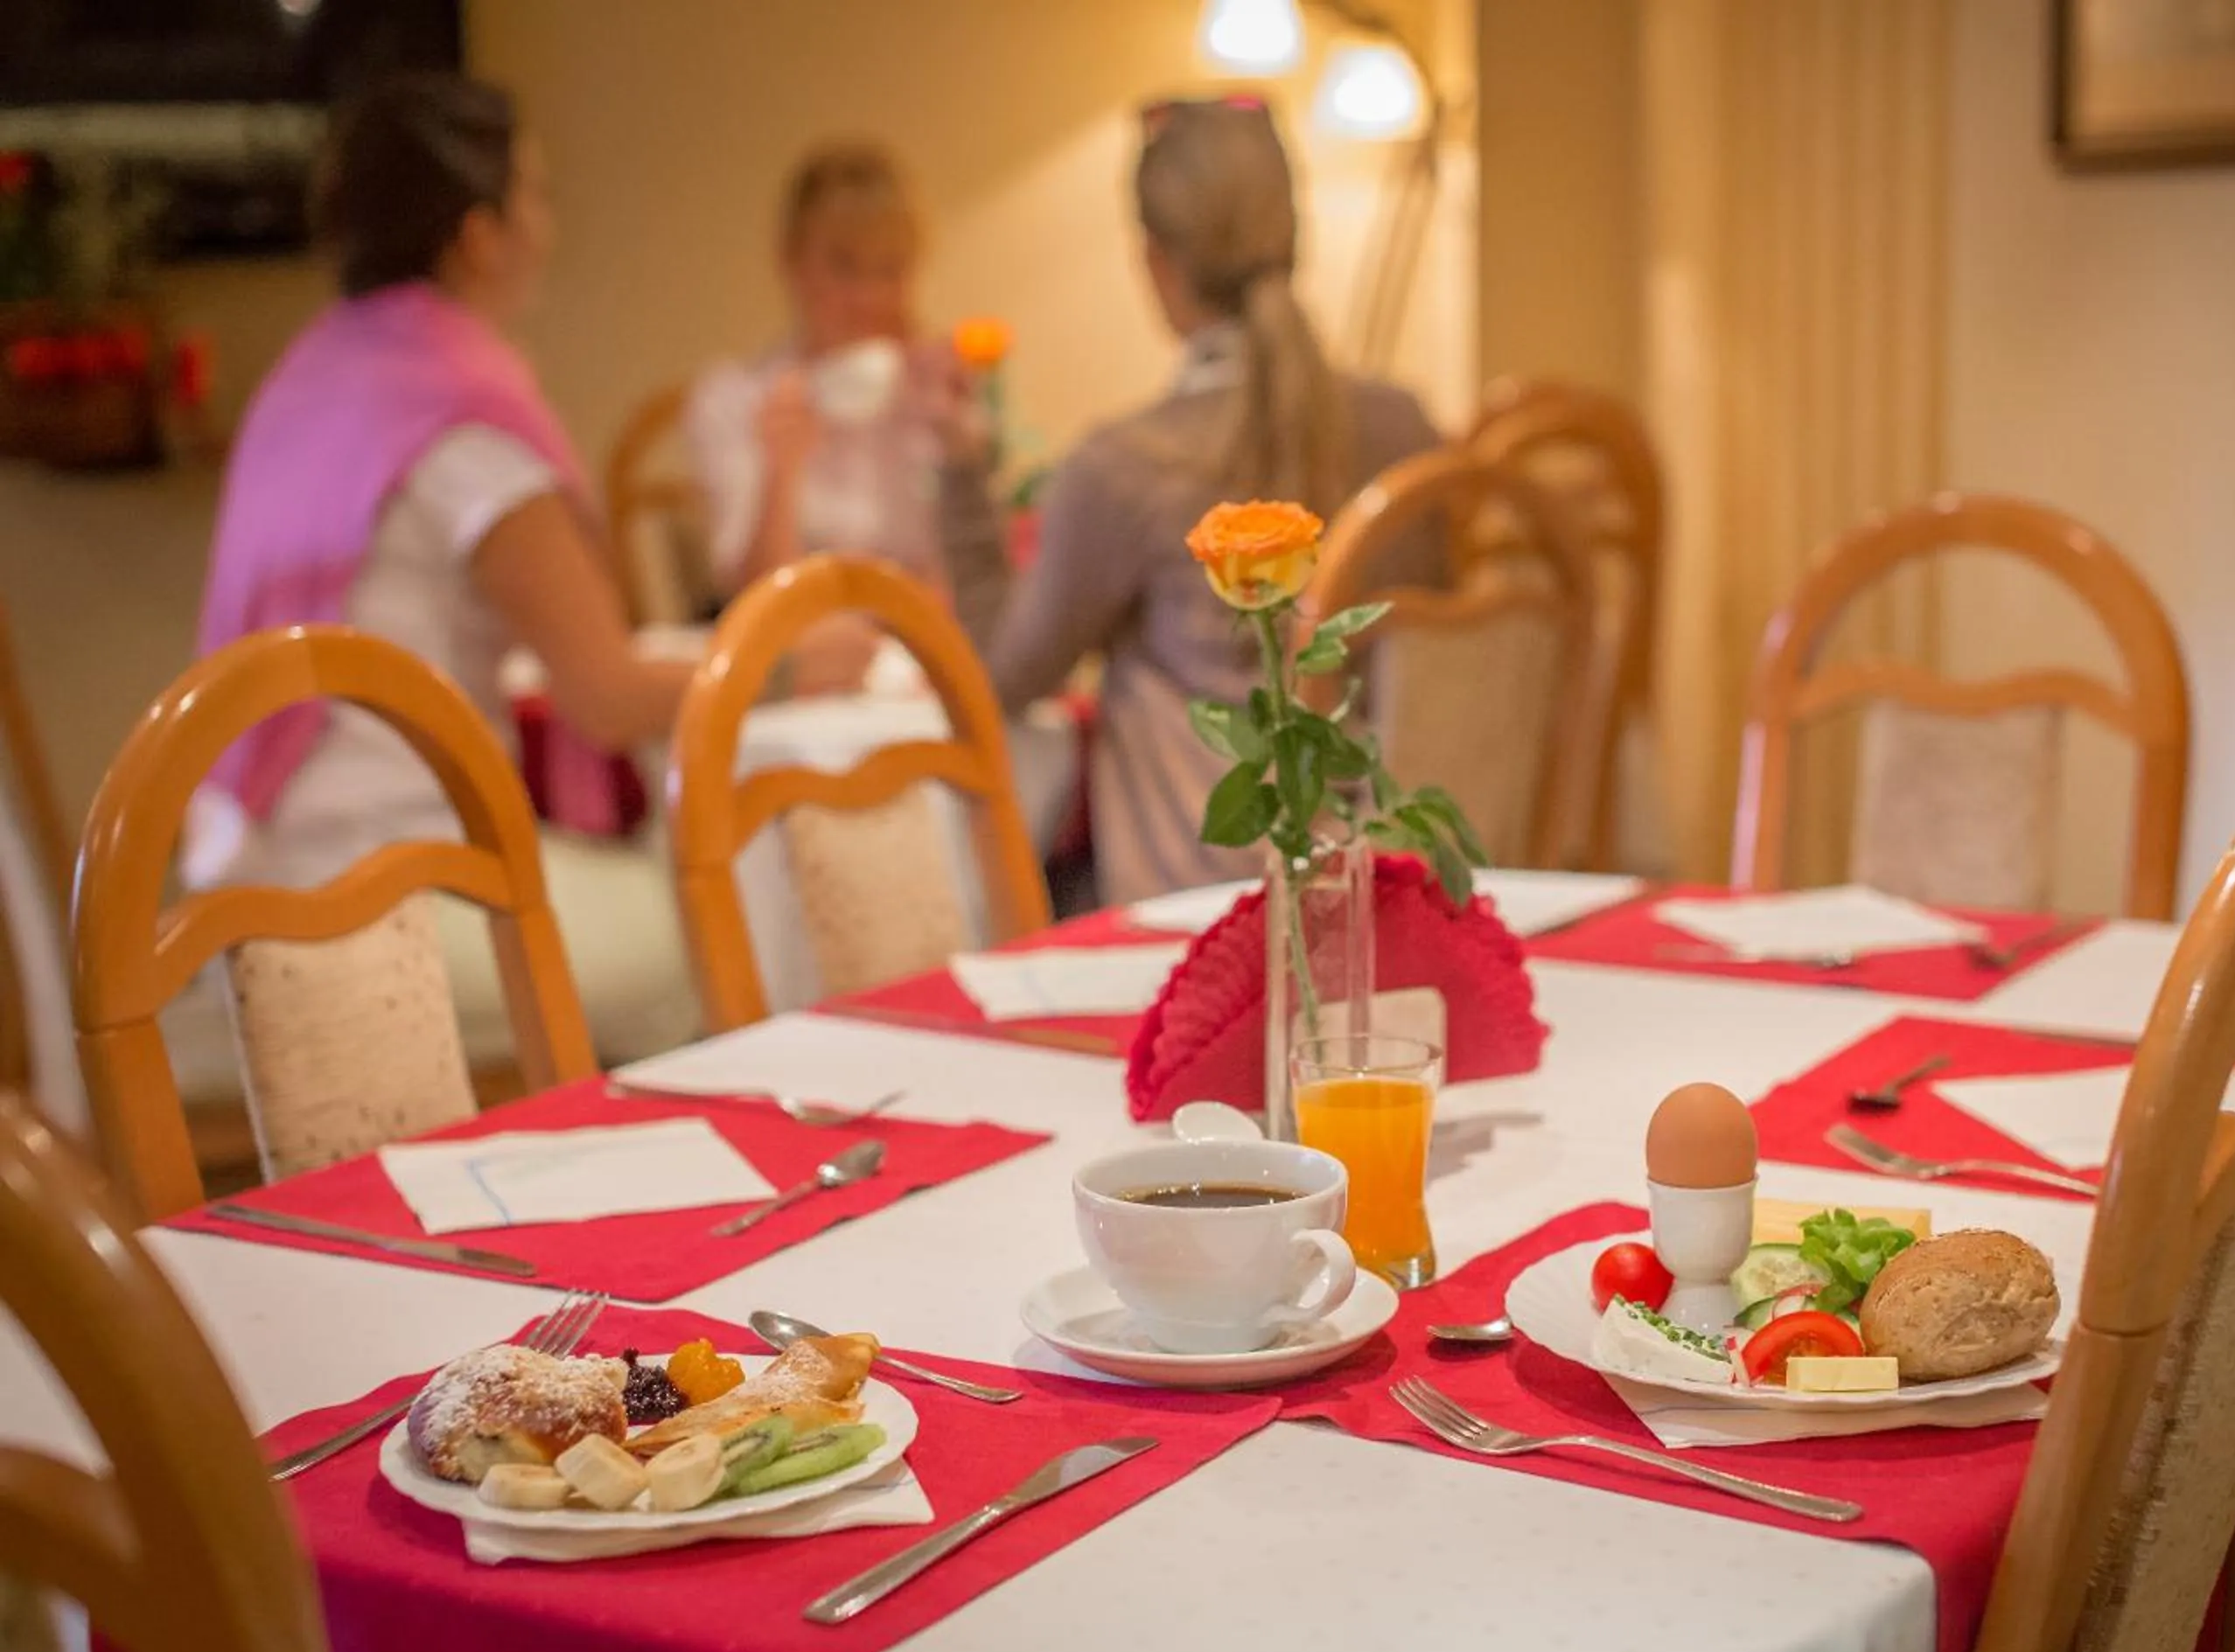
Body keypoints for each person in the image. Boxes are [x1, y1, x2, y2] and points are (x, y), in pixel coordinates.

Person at [189, 73, 872, 1064]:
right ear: (480, 236)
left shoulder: (312, 381)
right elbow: (603, 694)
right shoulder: (454, 421)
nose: (548, 226)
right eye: (536, 196)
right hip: (378, 896)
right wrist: (793, 668)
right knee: (730, 925)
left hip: (255, 878)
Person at [938, 98, 1441, 903]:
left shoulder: (1126, 468)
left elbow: (998, 681)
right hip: (1393, 884)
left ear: (1156, 263)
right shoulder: (1406, 429)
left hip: (1206, 908)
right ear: (1296, 239)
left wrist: (961, 480)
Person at [686, 142, 976, 599]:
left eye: (890, 269)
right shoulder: (733, 399)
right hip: (801, 636)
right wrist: (780, 470)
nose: (869, 296)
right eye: (844, 266)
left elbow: (982, 582)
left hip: (916, 633)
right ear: (792, 262)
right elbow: (752, 601)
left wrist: (962, 447)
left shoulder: (935, 398)